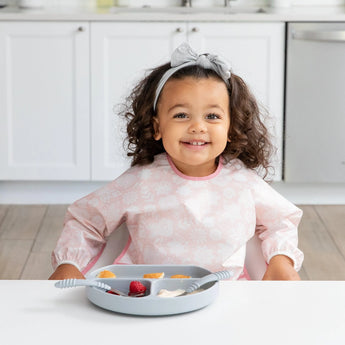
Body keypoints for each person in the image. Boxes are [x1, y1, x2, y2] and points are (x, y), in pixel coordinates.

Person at [49, 43, 303, 281]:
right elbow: (85, 219)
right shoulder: (141, 180)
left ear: (230, 127)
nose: (197, 127)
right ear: (157, 127)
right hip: (146, 296)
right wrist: (68, 263)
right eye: (181, 115)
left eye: (212, 116)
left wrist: (281, 260)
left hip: (226, 296)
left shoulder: (243, 182)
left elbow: (281, 220)